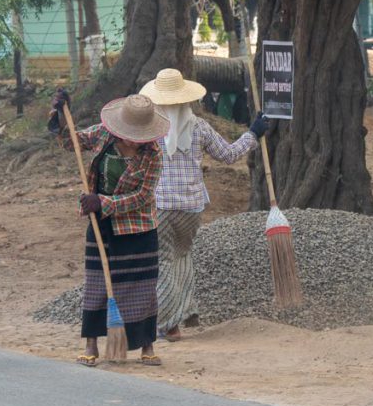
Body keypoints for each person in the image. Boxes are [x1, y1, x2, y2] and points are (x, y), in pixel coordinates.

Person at [139, 68, 267, 341]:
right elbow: (229, 155)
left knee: (162, 261)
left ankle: (169, 325)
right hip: (192, 208)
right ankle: (186, 312)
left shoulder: (149, 128)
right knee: (183, 257)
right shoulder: (198, 127)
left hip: (160, 205)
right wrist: (254, 133)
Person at [49, 90, 169, 366]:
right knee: (96, 284)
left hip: (138, 228)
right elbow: (72, 143)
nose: (132, 139)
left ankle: (147, 345)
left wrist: (103, 202)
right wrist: (60, 116)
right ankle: (91, 344)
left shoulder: (153, 154)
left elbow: (143, 196)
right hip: (99, 222)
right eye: (129, 132)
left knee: (141, 287)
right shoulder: (104, 135)